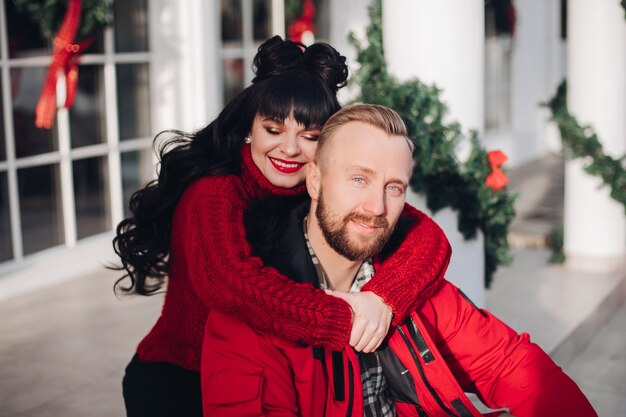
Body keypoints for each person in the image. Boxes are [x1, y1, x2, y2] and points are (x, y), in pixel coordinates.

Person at [113, 37, 450, 417]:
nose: (289, 149)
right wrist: (344, 318)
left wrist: (381, 299)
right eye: (273, 130)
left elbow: (428, 238)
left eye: (309, 137)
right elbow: (230, 284)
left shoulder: (318, 186)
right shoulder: (213, 193)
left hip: (267, 379)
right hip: (178, 381)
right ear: (249, 129)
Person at [201, 103, 597, 417]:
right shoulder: (250, 314)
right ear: (316, 181)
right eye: (359, 179)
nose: (377, 207)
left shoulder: (410, 286)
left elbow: (510, 365)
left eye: (394, 187)